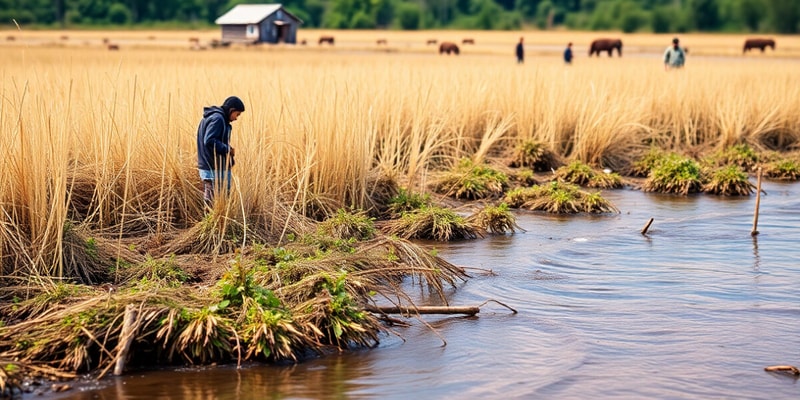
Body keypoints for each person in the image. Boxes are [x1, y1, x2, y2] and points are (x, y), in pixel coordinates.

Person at [196, 96, 245, 205]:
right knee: (214, 199)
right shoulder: (218, 119)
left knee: (213, 196)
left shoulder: (215, 118)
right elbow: (209, 140)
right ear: (231, 110)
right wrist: (227, 149)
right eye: (237, 114)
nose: (236, 118)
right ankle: (213, 220)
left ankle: (211, 220)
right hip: (212, 167)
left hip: (210, 166)